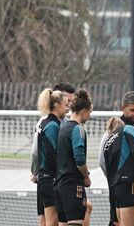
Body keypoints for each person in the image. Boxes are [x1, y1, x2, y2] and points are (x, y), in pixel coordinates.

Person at [99, 91, 134, 226]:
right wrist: (117, 179)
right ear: (122, 108)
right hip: (120, 187)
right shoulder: (111, 131)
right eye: (132, 110)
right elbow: (103, 161)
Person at [55, 89, 94, 226]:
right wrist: (86, 176)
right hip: (72, 184)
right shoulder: (77, 129)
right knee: (76, 223)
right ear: (84, 110)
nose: (89, 116)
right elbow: (79, 158)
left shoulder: (63, 128)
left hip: (59, 185)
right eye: (89, 112)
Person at [32, 88, 70, 226]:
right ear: (57, 105)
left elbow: (36, 152)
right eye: (66, 105)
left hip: (44, 178)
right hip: (50, 179)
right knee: (52, 222)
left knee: (46, 220)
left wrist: (36, 171)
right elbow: (54, 154)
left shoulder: (44, 123)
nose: (68, 108)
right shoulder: (53, 126)